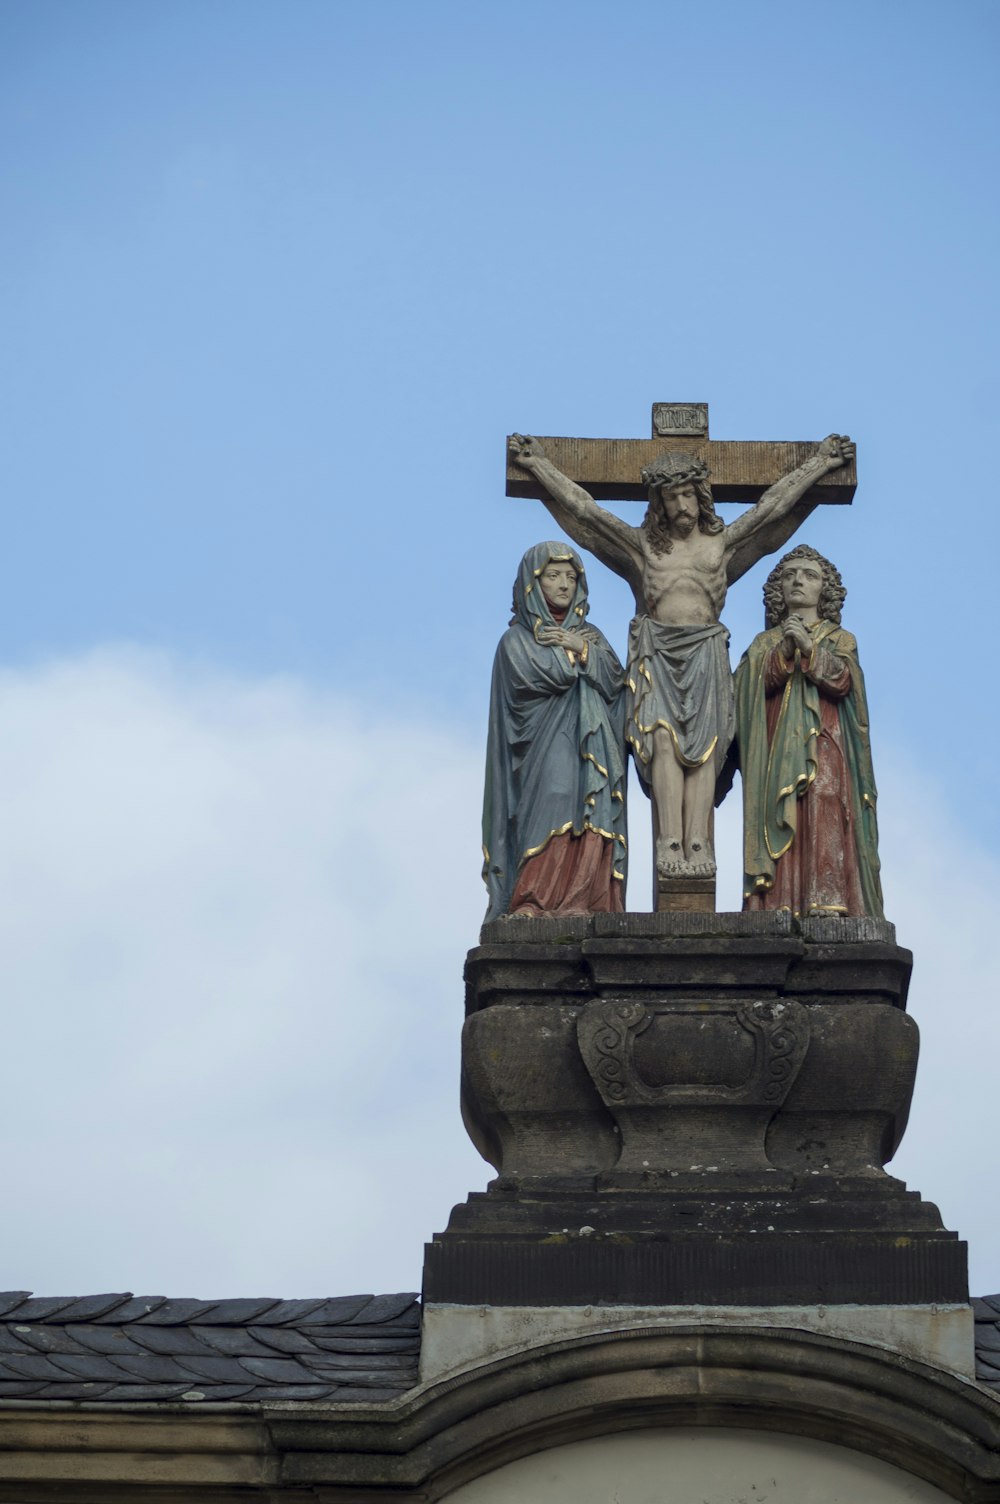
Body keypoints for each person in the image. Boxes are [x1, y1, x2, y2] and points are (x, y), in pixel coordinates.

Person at [508, 433, 855, 879]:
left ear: (701, 496)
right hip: (656, 649)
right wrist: (538, 469)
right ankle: (670, 840)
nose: (682, 506)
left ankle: (698, 842)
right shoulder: (644, 548)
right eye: (672, 498)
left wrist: (821, 466)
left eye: (688, 494)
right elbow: (585, 513)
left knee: (708, 750)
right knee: (662, 743)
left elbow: (772, 509)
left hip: (706, 649)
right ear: (659, 504)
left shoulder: (720, 546)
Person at [733, 544, 883, 917]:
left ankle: (828, 898)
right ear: (777, 590)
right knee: (778, 813)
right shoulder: (763, 643)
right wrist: (783, 653)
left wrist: (809, 649)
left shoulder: (839, 638)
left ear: (825, 590)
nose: (798, 580)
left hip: (826, 740)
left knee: (825, 803)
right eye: (789, 575)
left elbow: (845, 681)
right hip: (774, 748)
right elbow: (745, 694)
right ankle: (777, 901)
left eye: (809, 575)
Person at [482, 542, 627, 921]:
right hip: (543, 747)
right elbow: (545, 675)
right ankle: (535, 900)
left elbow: (616, 682)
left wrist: (580, 646)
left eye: (571, 576)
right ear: (532, 583)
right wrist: (576, 657)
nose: (563, 584)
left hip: (595, 744)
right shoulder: (516, 641)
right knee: (555, 800)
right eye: (553, 575)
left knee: (594, 812)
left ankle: (587, 900)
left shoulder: (590, 636)